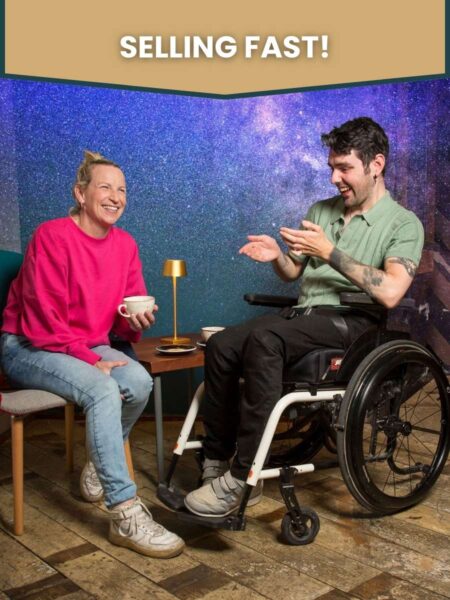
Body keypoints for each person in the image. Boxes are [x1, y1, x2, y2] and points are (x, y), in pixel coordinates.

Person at [184, 116, 424, 517]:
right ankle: (217, 463)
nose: (334, 178)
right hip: (302, 316)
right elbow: (294, 272)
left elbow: (391, 290)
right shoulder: (322, 211)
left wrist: (330, 252)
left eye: (344, 167)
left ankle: (243, 478)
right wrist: (277, 257)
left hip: (353, 323)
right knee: (223, 344)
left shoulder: (403, 224)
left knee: (265, 340)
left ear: (376, 164)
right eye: (331, 167)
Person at [0, 151, 184, 558]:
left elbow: (115, 324)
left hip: (82, 344)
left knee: (137, 381)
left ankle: (100, 462)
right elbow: (42, 323)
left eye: (122, 190)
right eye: (105, 187)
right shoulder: (51, 236)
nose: (115, 196)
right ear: (80, 194)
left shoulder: (126, 245)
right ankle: (125, 513)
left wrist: (133, 323)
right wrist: (90, 361)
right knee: (102, 390)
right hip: (29, 345)